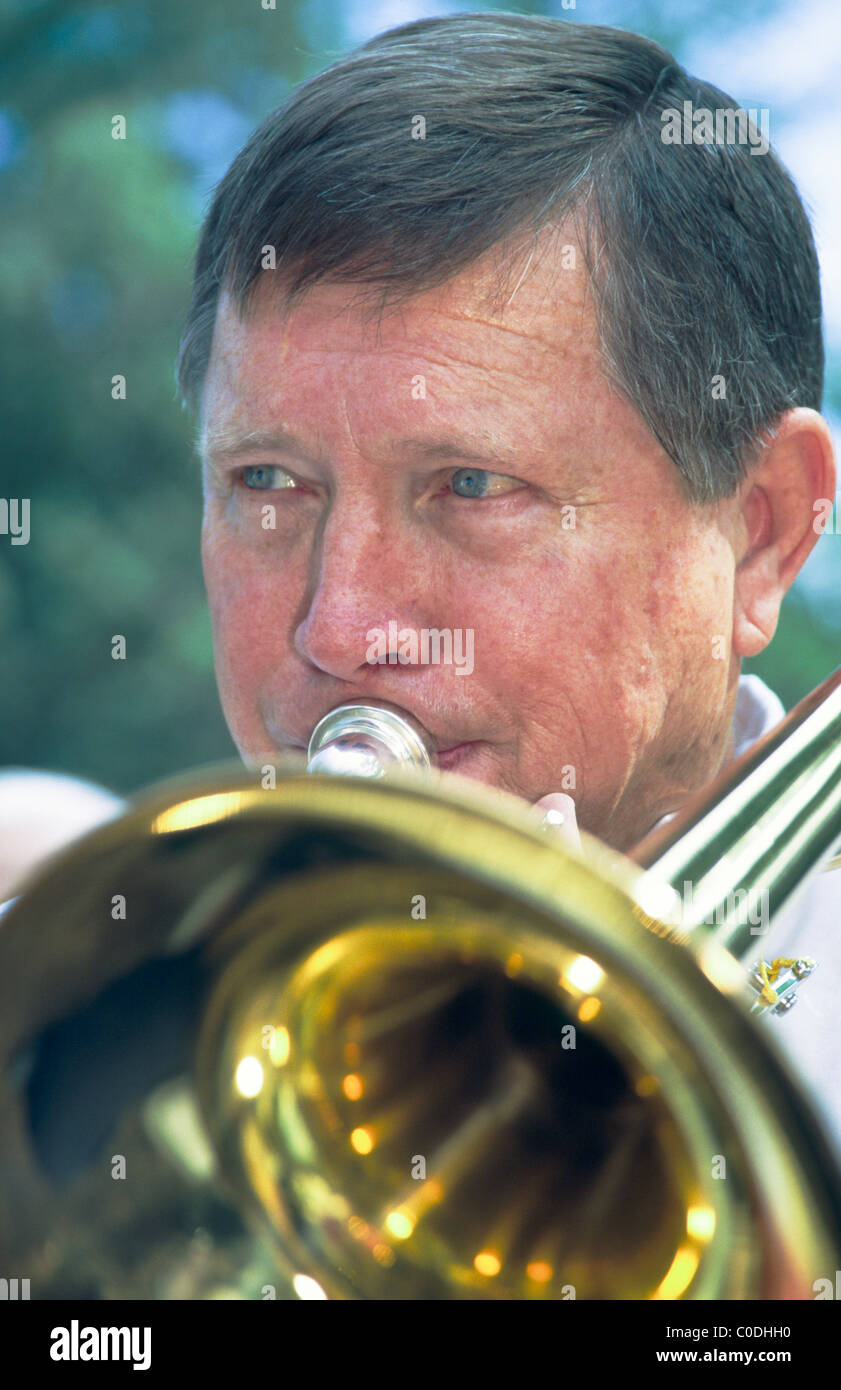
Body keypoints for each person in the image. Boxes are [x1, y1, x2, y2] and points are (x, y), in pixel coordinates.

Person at [176, 14, 841, 1143]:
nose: (338, 627)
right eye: (268, 479)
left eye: (471, 485)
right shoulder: (56, 998)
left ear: (761, 532)